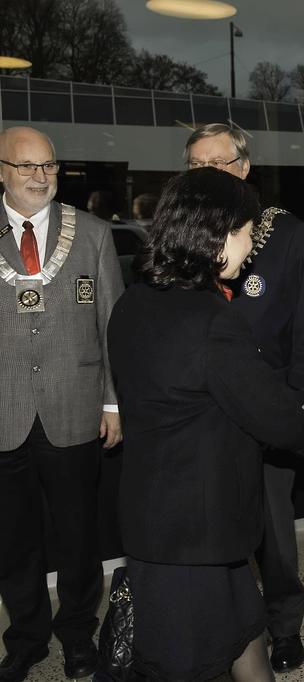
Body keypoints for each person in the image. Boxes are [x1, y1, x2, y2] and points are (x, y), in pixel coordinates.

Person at [107, 168, 304, 682]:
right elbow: (272, 418)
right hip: (193, 540)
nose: (252, 247)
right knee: (191, 663)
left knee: (246, 632)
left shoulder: (134, 302)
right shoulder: (211, 322)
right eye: (248, 232)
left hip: (159, 522)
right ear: (218, 233)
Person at [184, 123, 304, 673]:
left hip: (267, 409)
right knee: (211, 526)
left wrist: (290, 405)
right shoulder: (179, 237)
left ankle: (284, 626)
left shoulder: (283, 233)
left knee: (272, 529)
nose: (209, 175)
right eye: (197, 166)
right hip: (200, 412)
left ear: (244, 169)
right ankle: (223, 625)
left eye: (219, 163)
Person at [0, 126, 123, 682]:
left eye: (47, 165)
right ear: (2, 170)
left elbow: (112, 327)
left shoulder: (93, 234)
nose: (39, 176)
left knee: (77, 535)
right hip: (3, 415)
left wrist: (114, 404)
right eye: (26, 166)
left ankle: (77, 633)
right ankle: (25, 637)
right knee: (13, 538)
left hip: (75, 410)